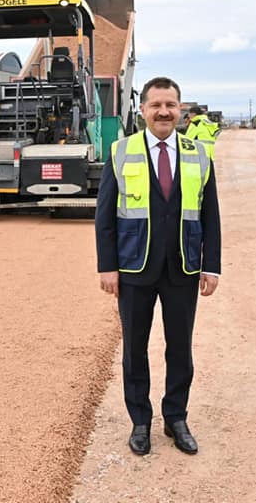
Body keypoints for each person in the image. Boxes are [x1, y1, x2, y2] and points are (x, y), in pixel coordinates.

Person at [95, 76, 221, 457]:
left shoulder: (199, 154)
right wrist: (107, 266)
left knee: (179, 348)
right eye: (156, 105)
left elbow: (210, 216)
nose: (164, 112)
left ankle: (176, 418)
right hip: (134, 268)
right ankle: (140, 422)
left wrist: (211, 265)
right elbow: (104, 217)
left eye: (171, 105)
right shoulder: (120, 151)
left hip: (183, 267)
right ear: (144, 111)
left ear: (180, 110)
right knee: (135, 348)